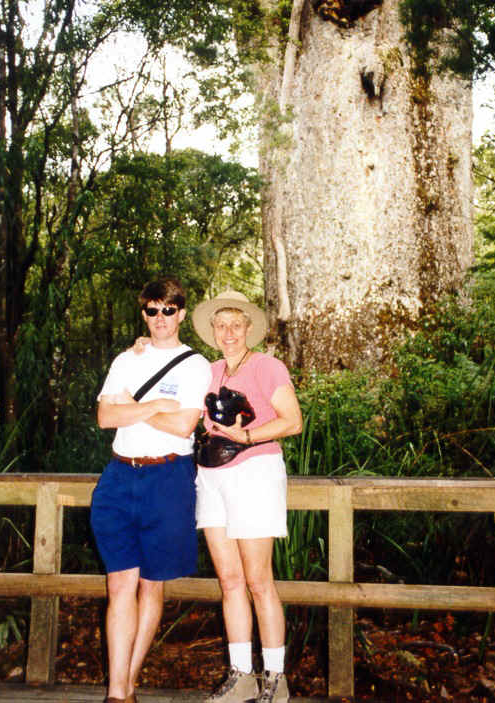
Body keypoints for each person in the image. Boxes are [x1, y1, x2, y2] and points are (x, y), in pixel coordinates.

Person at [90, 276, 212, 703]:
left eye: (168, 309)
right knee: (119, 585)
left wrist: (132, 408)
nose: (160, 318)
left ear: (180, 313)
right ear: (144, 313)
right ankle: (117, 692)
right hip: (119, 478)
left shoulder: (197, 364)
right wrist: (154, 406)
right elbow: (106, 417)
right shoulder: (127, 358)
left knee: (151, 585)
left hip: (168, 478)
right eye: (152, 310)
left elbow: (183, 425)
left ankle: (128, 682)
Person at [191, 290, 303, 703]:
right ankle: (240, 676)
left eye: (236, 324)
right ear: (212, 331)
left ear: (248, 328)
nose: (229, 332)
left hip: (255, 473)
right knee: (230, 581)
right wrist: (144, 345)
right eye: (221, 325)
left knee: (258, 581)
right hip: (212, 477)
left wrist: (248, 437)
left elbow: (293, 422)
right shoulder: (209, 370)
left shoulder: (267, 366)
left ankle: (275, 678)